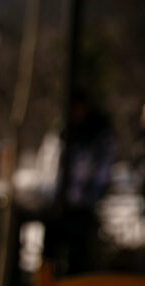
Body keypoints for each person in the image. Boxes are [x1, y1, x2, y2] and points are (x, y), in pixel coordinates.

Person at [44, 90, 116, 275]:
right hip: (59, 205)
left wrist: (89, 195)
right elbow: (48, 165)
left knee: (79, 254)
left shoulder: (98, 136)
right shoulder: (62, 133)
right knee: (50, 252)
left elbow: (102, 171)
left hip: (84, 206)